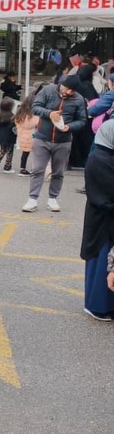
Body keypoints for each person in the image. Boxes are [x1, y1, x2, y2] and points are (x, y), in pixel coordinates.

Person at [24, 76, 87, 213]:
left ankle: (53, 198)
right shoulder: (48, 90)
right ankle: (32, 199)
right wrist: (49, 113)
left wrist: (70, 127)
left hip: (63, 141)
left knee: (58, 172)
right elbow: (35, 107)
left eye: (72, 91)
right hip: (42, 137)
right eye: (67, 88)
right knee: (37, 170)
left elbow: (82, 120)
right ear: (62, 84)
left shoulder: (79, 99)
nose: (68, 92)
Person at [81, 120, 114, 320]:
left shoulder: (108, 156)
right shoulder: (99, 159)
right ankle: (98, 306)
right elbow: (103, 194)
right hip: (102, 220)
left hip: (107, 218)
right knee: (102, 260)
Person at [14, 89, 41, 176]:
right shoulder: (32, 116)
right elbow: (34, 123)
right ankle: (34, 169)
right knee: (37, 154)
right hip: (32, 137)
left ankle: (23, 168)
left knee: (25, 153)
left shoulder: (20, 113)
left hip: (22, 137)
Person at [0, 98, 17, 172]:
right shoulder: (12, 116)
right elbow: (14, 126)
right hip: (10, 136)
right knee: (9, 152)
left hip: (0, 135)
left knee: (3, 149)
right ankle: (7, 166)